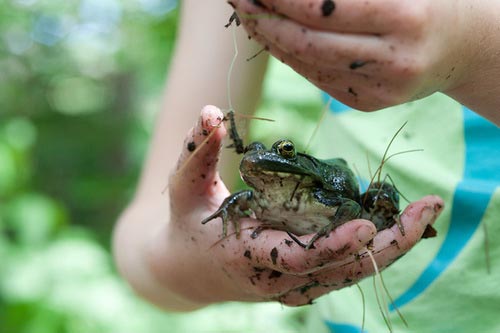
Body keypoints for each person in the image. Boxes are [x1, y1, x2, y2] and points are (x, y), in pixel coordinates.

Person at [113, 1, 500, 332]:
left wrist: (472, 48)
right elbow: (148, 236)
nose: (264, 158)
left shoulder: (318, 191)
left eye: (282, 151)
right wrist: (190, 263)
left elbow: (348, 207)